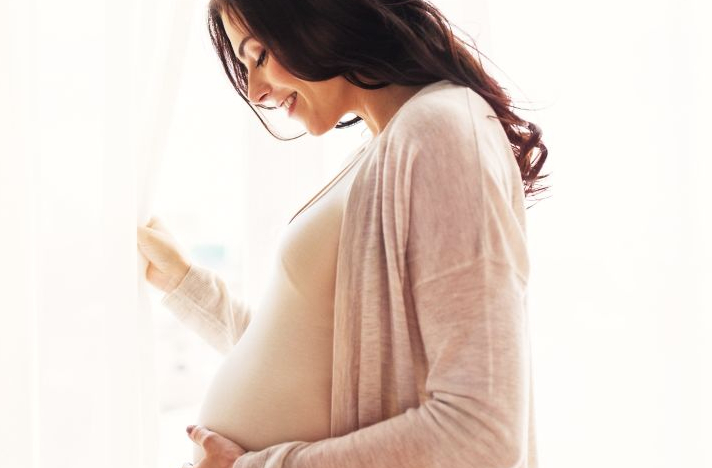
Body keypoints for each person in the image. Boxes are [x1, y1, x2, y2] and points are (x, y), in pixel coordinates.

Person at [136, 0, 550, 467]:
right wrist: (185, 283)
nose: (253, 90)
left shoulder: (440, 129)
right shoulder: (388, 142)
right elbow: (317, 367)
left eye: (259, 56)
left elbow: (481, 432)